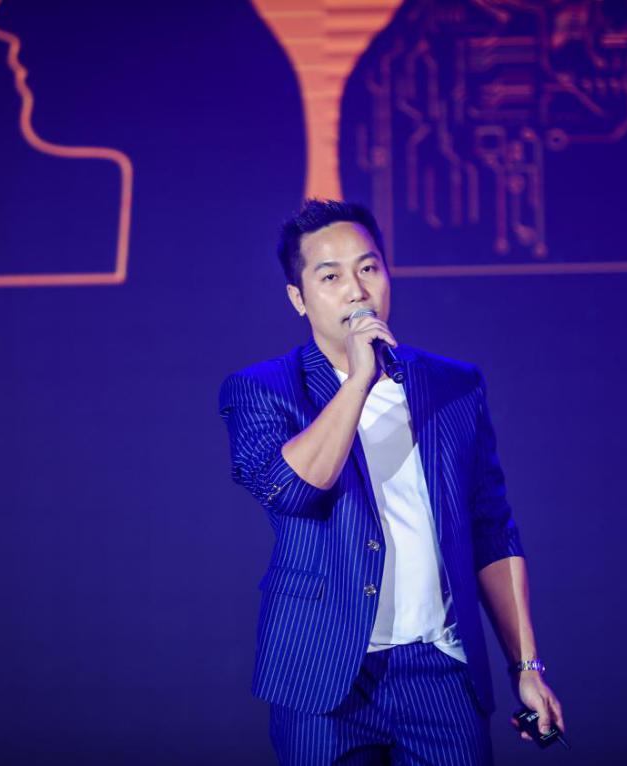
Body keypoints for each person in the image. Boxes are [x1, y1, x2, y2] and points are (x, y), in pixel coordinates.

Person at [218, 199, 563, 765]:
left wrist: (525, 666)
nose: (357, 291)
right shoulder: (263, 389)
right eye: (331, 277)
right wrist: (358, 380)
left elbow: (491, 530)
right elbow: (294, 490)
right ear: (298, 298)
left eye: (368, 268)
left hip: (440, 671)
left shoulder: (454, 385)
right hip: (324, 678)